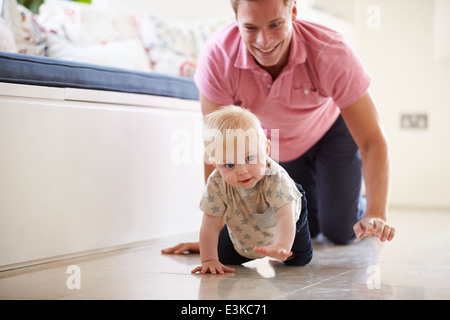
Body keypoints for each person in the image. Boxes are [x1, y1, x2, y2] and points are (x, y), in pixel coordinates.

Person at [162, 0, 395, 256]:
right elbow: (218, 149)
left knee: (339, 230)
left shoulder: (330, 51)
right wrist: (218, 237)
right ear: (235, 20)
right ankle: (329, 196)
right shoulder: (218, 56)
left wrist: (376, 213)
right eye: (250, 28)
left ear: (293, 11)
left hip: (331, 132)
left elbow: (372, 140)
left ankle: (354, 199)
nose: (264, 41)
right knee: (302, 221)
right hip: (280, 143)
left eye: (275, 24)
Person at [191, 105, 313, 274]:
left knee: (299, 260)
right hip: (242, 222)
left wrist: (282, 246)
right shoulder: (217, 182)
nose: (242, 171)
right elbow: (209, 225)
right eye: (229, 165)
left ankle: (286, 248)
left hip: (289, 216)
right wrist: (209, 260)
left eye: (249, 158)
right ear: (216, 165)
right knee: (223, 257)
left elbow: (285, 215)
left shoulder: (276, 178)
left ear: (266, 149)